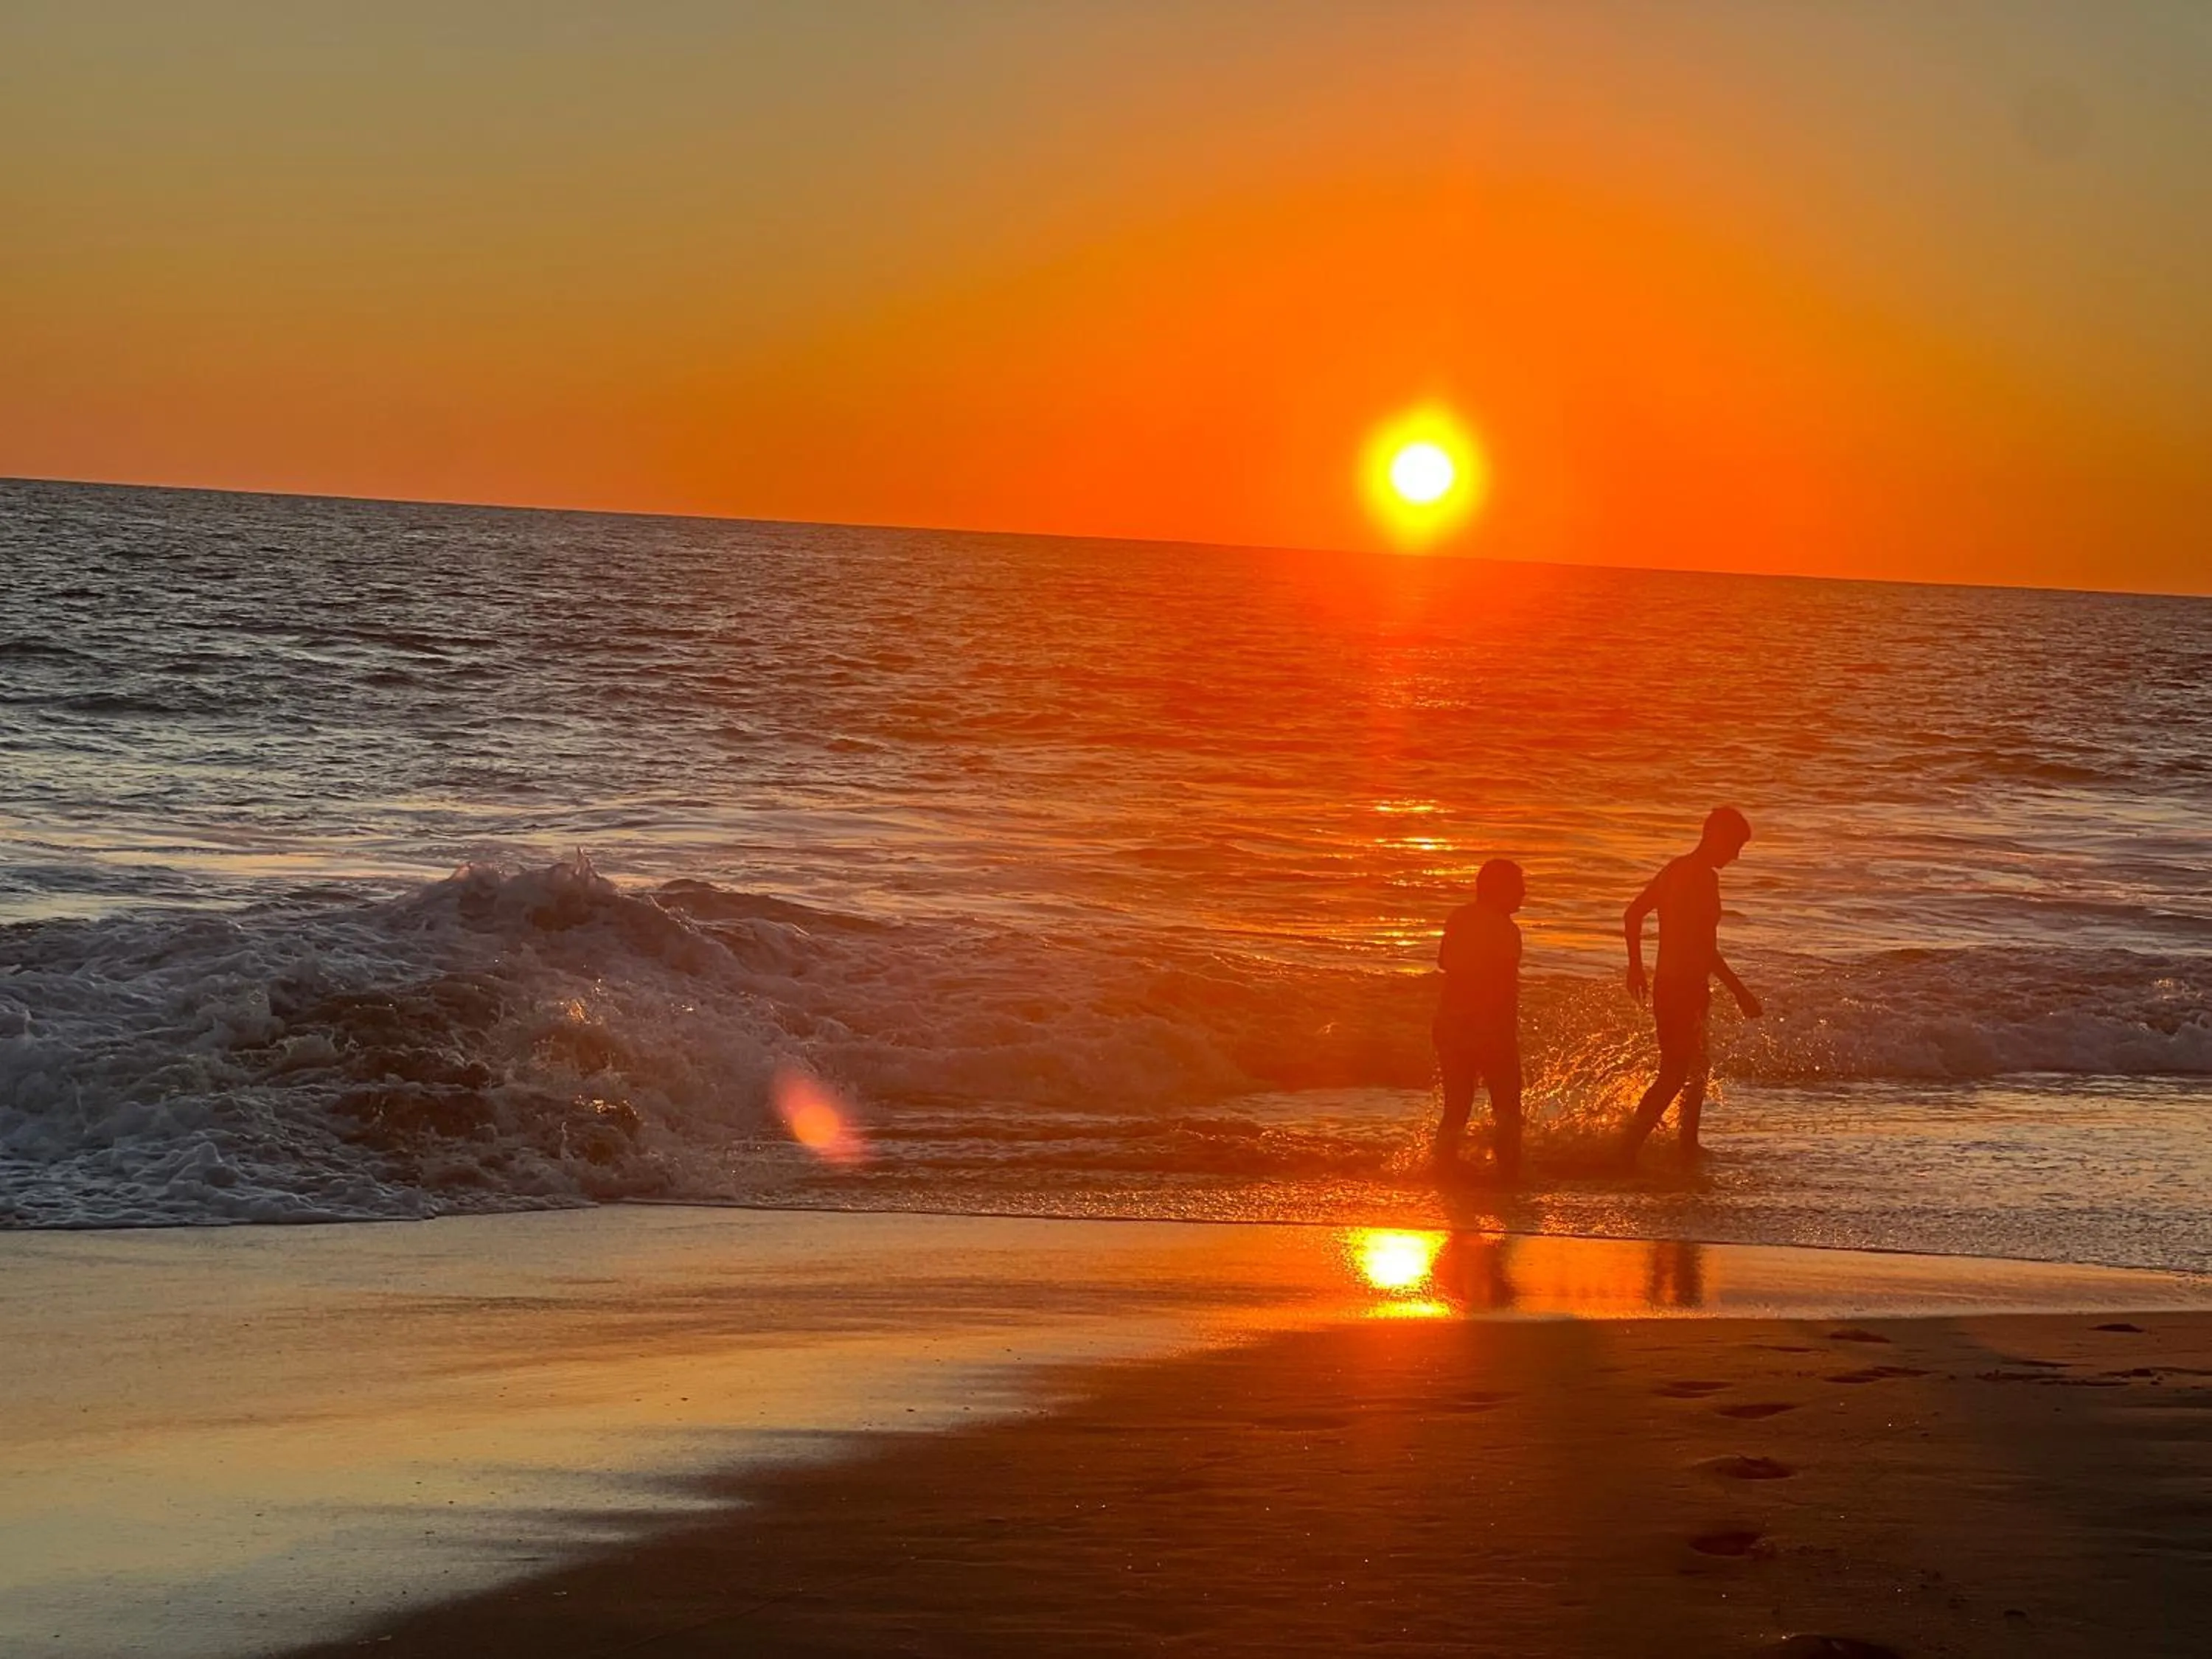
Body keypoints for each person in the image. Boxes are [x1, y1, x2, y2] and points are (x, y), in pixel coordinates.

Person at [1617, 807, 1761, 1166]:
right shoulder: (1699, 878)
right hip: (1681, 989)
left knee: (1696, 1069)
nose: (1736, 856)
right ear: (1715, 836)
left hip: (1680, 986)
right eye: (1734, 846)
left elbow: (1633, 914)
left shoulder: (1676, 869)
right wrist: (1740, 992)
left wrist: (1637, 966)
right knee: (1676, 1072)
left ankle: (1685, 1145)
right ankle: (1626, 1151)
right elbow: (1704, 947)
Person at [1432, 857, 1526, 1181]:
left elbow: (1445, 962)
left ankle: (1441, 1169)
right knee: (1508, 1105)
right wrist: (1505, 1033)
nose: (1524, 895)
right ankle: (1509, 1174)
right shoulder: (1506, 930)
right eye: (1519, 887)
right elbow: (1505, 986)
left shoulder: (1459, 917)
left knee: (1456, 1106)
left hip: (1449, 1022)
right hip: (1488, 1026)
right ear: (1500, 890)